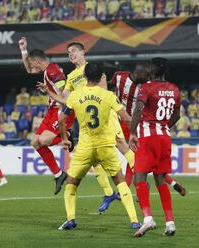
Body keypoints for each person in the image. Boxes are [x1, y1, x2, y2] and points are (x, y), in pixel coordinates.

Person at [42, 42, 127, 213]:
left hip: (105, 115)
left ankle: (140, 179)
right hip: (86, 120)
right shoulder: (71, 76)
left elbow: (103, 91)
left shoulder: (93, 69)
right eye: (68, 53)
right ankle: (109, 193)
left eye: (74, 51)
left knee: (121, 144)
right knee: (94, 159)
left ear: (83, 52)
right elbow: (65, 100)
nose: (71, 54)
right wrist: (49, 93)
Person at [53, 62, 140, 230]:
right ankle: (134, 220)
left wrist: (64, 138)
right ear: (101, 77)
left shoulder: (75, 96)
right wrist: (133, 134)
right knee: (120, 181)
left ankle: (71, 219)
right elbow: (127, 119)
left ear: (85, 76)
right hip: (105, 146)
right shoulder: (108, 96)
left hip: (85, 148)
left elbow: (61, 119)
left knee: (71, 183)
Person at [111, 63, 186, 196]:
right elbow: (108, 89)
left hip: (135, 125)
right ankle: (172, 183)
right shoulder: (119, 77)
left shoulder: (147, 87)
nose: (149, 77)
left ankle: (126, 190)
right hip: (118, 122)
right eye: (146, 75)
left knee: (135, 157)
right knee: (138, 158)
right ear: (137, 73)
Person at [129, 58, 181, 237]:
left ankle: (147, 219)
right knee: (160, 179)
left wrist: (132, 133)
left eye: (150, 66)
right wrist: (164, 126)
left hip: (148, 137)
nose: (147, 69)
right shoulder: (174, 88)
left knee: (139, 179)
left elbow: (137, 110)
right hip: (165, 137)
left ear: (154, 69)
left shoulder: (147, 88)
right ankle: (170, 222)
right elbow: (178, 114)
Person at [19, 37, 69, 195]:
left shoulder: (53, 71)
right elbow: (28, 69)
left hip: (60, 110)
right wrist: (23, 50)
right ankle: (59, 174)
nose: (31, 67)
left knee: (44, 140)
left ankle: (67, 136)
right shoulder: (48, 70)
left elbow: (66, 93)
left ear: (36, 61)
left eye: (31, 62)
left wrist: (64, 109)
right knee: (35, 142)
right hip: (51, 111)